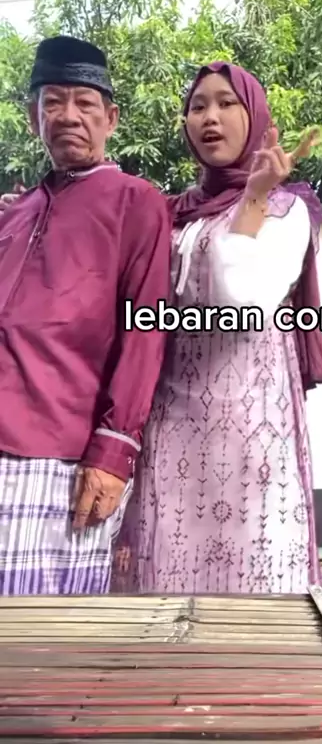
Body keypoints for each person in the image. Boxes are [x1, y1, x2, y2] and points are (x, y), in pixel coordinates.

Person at [111, 61, 322, 595]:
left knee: (251, 581)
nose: (210, 117)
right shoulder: (173, 214)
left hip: (251, 428)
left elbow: (242, 302)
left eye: (227, 103)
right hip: (169, 427)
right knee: (166, 580)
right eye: (198, 106)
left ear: (255, 116)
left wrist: (252, 200)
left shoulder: (285, 209)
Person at [0, 35, 171, 595]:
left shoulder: (136, 202)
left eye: (84, 103)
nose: (67, 116)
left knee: (43, 634)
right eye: (52, 102)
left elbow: (145, 332)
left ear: (110, 119)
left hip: (63, 460)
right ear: (34, 117)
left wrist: (114, 451)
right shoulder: (14, 213)